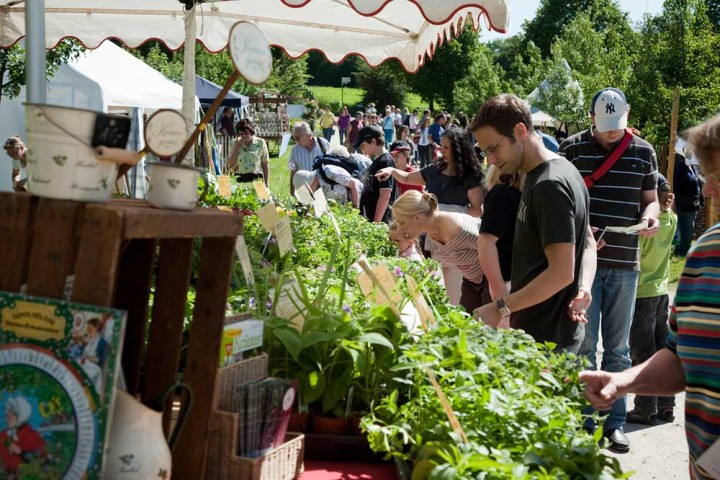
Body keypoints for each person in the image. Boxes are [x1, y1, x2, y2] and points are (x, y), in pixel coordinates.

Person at [580, 113, 720, 480]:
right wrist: (622, 382)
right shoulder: (705, 254)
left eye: (716, 177)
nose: (706, 191)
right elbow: (678, 358)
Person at [560, 87, 660, 452]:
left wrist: (651, 218)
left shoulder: (644, 151)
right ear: (591, 118)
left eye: (617, 125)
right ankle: (587, 423)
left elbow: (650, 201)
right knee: (584, 346)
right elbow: (562, 202)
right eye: (605, 126)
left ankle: (613, 423)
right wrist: (581, 233)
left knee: (618, 349)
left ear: (627, 114)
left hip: (624, 262)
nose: (612, 132)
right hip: (583, 267)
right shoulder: (570, 148)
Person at [469, 94, 595, 350]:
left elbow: (561, 273)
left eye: (494, 148)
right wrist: (584, 286)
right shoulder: (556, 170)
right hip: (545, 333)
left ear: (520, 130)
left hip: (547, 340)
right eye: (486, 152)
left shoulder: (549, 184)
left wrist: (500, 308)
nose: (490, 160)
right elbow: (589, 243)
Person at [376, 128, 484, 305]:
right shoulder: (435, 169)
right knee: (440, 281)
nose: (441, 150)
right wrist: (391, 171)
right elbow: (409, 178)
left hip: (457, 237)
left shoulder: (471, 176)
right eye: (441, 146)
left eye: (447, 147)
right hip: (434, 237)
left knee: (456, 288)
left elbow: (477, 210)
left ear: (459, 149)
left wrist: (446, 214)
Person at [626, 174, 677, 425]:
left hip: (641, 293)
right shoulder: (672, 220)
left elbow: (637, 254)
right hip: (661, 293)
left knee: (642, 353)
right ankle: (666, 405)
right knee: (660, 350)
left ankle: (645, 408)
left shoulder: (645, 228)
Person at [392, 191, 484, 312]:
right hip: (472, 282)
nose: (401, 229)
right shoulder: (432, 232)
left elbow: (495, 251)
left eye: (402, 223)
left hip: (491, 280)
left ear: (416, 217)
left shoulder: (456, 228)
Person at [477, 165, 523, 301]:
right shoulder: (503, 194)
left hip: (508, 282)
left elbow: (486, 242)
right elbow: (486, 242)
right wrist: (500, 296)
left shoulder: (502, 194)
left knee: (504, 319)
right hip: (506, 283)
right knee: (504, 319)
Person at [355, 125, 396, 223]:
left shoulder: (384, 162)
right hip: (369, 216)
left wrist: (376, 223)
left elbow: (385, 195)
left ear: (373, 142)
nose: (362, 149)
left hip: (378, 221)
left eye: (363, 145)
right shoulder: (378, 160)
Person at [0, 396, 46, 477]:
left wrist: (20, 452)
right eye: (6, 416)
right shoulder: (3, 435)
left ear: (19, 417)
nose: (6, 419)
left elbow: (40, 459)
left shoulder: (32, 435)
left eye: (9, 416)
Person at [673, 143, 703, 256]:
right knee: (687, 230)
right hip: (684, 205)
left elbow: (698, 185)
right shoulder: (680, 169)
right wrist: (676, 203)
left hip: (693, 205)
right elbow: (676, 188)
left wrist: (701, 201)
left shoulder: (693, 168)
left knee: (688, 230)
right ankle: (682, 252)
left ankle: (682, 251)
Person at [288, 122, 331, 196]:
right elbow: (293, 172)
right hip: (304, 191)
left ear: (308, 135)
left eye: (297, 138)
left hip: (323, 190)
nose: (296, 141)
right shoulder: (295, 150)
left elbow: (333, 165)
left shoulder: (323, 144)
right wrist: (292, 193)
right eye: (294, 138)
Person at [292, 166, 362, 208]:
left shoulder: (329, 172)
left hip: (361, 196)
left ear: (310, 181)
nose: (310, 192)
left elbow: (353, 184)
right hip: (346, 208)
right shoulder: (316, 188)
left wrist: (355, 208)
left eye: (308, 189)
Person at [226, 118, 270, 186]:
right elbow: (229, 165)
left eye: (246, 133)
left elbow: (265, 165)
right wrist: (237, 148)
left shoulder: (260, 142)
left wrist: (267, 184)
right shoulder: (234, 143)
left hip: (256, 178)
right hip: (239, 179)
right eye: (241, 133)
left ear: (251, 131)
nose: (243, 136)